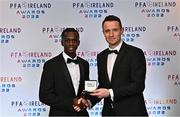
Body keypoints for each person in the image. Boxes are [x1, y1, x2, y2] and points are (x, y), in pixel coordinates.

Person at [90, 15, 148, 116]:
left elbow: (138, 85)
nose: (111, 34)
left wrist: (111, 92)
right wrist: (90, 101)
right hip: (109, 113)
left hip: (132, 113)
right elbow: (104, 86)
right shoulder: (101, 56)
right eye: (107, 31)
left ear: (122, 30)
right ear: (103, 33)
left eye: (115, 30)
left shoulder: (135, 53)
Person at [39, 28, 90, 116]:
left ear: (78, 43)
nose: (71, 44)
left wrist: (86, 99)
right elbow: (44, 96)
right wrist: (71, 102)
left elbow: (86, 89)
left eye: (74, 41)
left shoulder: (85, 64)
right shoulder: (51, 65)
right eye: (67, 41)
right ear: (62, 42)